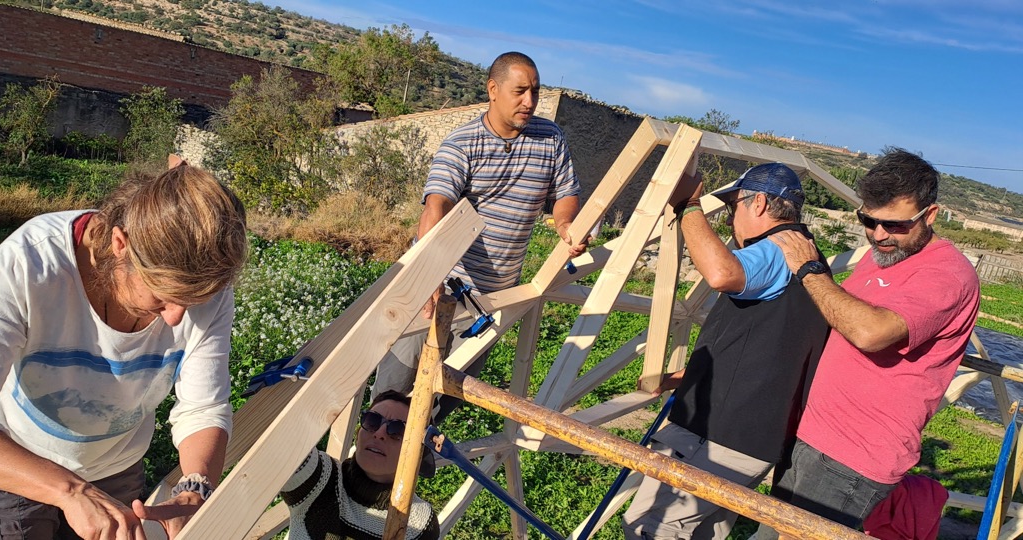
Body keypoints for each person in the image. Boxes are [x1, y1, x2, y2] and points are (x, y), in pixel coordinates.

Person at [0, 162, 248, 540]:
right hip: (6, 469)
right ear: (120, 244)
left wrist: (195, 487)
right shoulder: (32, 262)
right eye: (162, 295)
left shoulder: (204, 287)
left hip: (115, 471)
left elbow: (202, 407)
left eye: (192, 302)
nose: (175, 318)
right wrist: (71, 491)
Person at [751, 148, 980, 537]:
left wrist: (810, 270)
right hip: (813, 432)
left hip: (853, 455)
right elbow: (836, 314)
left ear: (931, 214)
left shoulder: (947, 275)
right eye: (868, 220)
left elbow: (871, 333)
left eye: (894, 225)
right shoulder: (884, 255)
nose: (878, 234)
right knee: (770, 532)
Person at [372, 51, 586, 422]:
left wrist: (566, 223)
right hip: (435, 289)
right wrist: (429, 274)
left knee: (447, 395)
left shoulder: (550, 139)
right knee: (391, 395)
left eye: (535, 91)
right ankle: (371, 471)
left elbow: (565, 192)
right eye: (520, 91)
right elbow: (435, 207)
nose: (529, 101)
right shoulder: (463, 143)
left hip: (491, 299)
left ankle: (413, 457)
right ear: (493, 89)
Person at [621, 162, 832, 540]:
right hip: (753, 438)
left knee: (650, 528)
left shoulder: (777, 248)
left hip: (721, 435)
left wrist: (689, 205)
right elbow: (768, 346)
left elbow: (721, 274)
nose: (734, 220)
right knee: (705, 533)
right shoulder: (810, 259)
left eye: (736, 206)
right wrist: (685, 378)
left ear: (761, 203)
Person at [281, 390, 440, 539]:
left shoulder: (421, 523)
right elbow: (283, 440)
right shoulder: (322, 478)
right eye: (372, 421)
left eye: (397, 430)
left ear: (418, 453)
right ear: (358, 434)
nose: (379, 434)